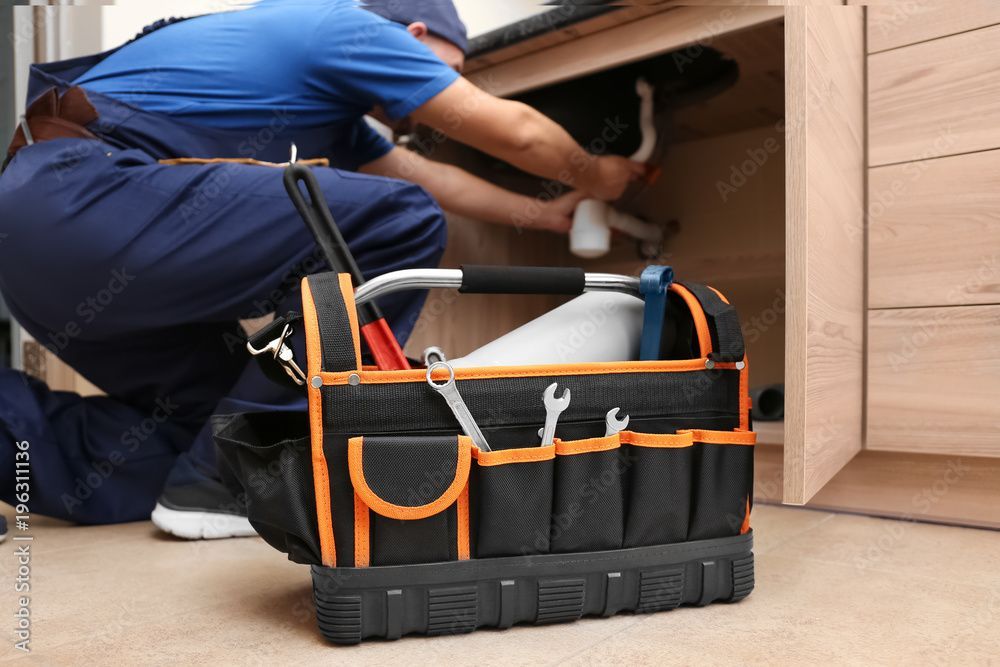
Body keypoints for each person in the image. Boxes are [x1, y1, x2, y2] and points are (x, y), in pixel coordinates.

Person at [0, 0, 645, 538]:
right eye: (451, 69)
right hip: (82, 196)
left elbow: (431, 176)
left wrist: (552, 214)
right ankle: (227, 485)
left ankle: (197, 479)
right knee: (405, 222)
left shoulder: (338, 118)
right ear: (416, 37)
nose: (443, 93)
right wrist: (594, 173)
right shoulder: (344, 26)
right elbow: (520, 135)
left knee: (220, 424)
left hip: (38, 246)